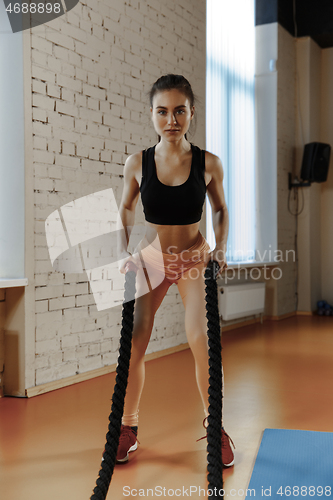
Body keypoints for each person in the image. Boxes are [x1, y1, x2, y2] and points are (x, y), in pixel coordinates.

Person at [116, 74, 235, 467]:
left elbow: (219, 208)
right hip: (151, 258)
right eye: (163, 111)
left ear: (191, 112)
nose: (172, 120)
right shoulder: (138, 162)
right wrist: (125, 252)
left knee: (202, 338)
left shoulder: (208, 162)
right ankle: (128, 428)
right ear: (151, 114)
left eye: (179, 111)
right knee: (134, 340)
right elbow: (126, 210)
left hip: (193, 258)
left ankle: (214, 425)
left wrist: (220, 248)